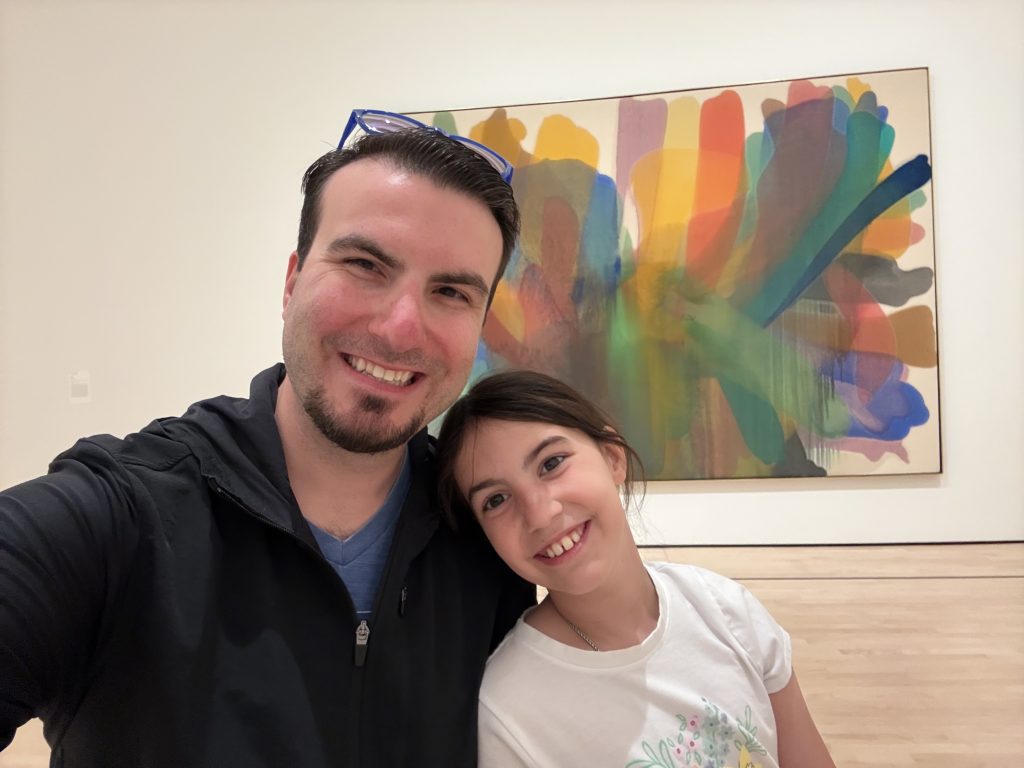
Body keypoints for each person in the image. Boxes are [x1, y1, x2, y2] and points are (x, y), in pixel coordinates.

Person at [0, 110, 535, 767]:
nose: (401, 329)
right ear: (292, 282)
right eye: (366, 264)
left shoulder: (484, 544)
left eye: (450, 291)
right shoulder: (121, 518)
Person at [436, 370, 836, 768]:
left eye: (551, 463)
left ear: (612, 458)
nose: (540, 514)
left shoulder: (728, 611)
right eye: (496, 500)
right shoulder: (507, 715)